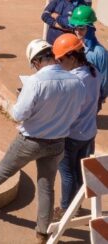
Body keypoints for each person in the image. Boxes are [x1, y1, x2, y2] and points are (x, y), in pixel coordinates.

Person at [0, 39, 86, 243]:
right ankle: (42, 231)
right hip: (57, 143)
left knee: (4, 171)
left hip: (31, 141)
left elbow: (18, 114)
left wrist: (22, 97)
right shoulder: (77, 82)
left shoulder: (35, 82)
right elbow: (76, 111)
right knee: (46, 186)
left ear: (36, 61)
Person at [52, 33, 99, 220]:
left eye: (61, 59)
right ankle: (76, 207)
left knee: (67, 173)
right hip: (89, 132)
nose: (59, 63)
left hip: (72, 135)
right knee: (81, 173)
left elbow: (65, 110)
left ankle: (65, 210)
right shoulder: (93, 71)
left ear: (72, 56)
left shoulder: (74, 81)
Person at [69, 5, 108, 106]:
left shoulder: (99, 53)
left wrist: (100, 98)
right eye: (75, 27)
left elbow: (105, 80)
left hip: (90, 100)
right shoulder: (72, 46)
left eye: (81, 27)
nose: (77, 31)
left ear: (90, 28)